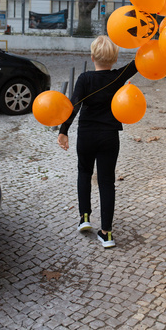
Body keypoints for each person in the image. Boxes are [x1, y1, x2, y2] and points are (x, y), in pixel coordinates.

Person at [57, 35, 137, 248]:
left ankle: (84, 217)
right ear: (115, 57)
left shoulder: (84, 78)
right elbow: (139, 62)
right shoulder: (118, 77)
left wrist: (63, 131)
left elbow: (73, 105)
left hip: (87, 135)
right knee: (106, 182)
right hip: (109, 136)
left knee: (84, 173)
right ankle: (107, 233)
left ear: (92, 56)